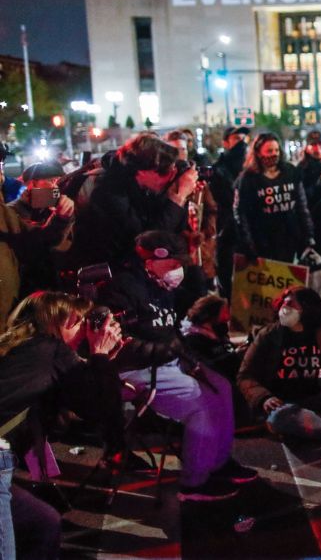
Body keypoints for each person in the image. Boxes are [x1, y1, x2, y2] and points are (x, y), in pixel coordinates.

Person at [97, 230, 254, 501]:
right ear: (150, 261)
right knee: (201, 402)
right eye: (173, 265)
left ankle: (217, 462)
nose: (177, 271)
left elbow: (168, 330)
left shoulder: (160, 285)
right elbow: (118, 343)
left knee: (221, 387)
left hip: (166, 360)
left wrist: (187, 357)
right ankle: (194, 483)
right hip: (135, 369)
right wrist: (165, 351)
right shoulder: (120, 288)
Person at [0, 292, 123, 560]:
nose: (84, 331)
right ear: (63, 322)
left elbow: (80, 392)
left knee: (42, 524)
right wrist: (100, 353)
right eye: (80, 322)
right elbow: (100, 408)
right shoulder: (53, 352)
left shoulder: (24, 349)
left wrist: (101, 361)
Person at [238, 287, 321, 440]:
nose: (285, 308)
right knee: (279, 418)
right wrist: (264, 398)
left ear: (307, 308)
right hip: (286, 405)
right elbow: (245, 375)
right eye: (283, 304)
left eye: (290, 304)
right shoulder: (269, 336)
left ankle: (316, 426)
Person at [68, 133, 196, 271]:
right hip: (108, 274)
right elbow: (147, 243)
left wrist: (180, 194)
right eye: (165, 171)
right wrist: (177, 199)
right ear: (142, 172)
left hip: (132, 272)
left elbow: (176, 230)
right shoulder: (109, 192)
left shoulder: (144, 188)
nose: (170, 176)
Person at [0, 166, 74, 320]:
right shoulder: (11, 212)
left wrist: (62, 216)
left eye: (59, 181)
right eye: (51, 180)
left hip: (53, 289)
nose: (56, 186)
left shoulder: (54, 209)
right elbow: (33, 243)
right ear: (33, 184)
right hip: (27, 296)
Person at [233, 133, 317, 264]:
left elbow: (301, 206)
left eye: (277, 150)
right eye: (269, 151)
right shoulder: (248, 179)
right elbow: (241, 213)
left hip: (290, 240)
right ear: (259, 153)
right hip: (263, 242)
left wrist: (308, 236)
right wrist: (248, 245)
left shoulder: (290, 172)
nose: (274, 154)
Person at [162, 129, 219, 282]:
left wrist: (207, 232)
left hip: (200, 252)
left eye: (183, 149)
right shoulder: (163, 183)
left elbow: (211, 209)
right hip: (176, 254)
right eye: (174, 150)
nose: (180, 154)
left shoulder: (196, 177)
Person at [212, 127, 250, 296]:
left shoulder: (250, 168)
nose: (241, 143)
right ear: (225, 143)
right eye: (236, 138)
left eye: (243, 138)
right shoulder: (218, 171)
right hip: (228, 235)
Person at [297, 130, 321, 266]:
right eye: (313, 145)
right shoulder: (301, 169)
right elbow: (302, 198)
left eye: (320, 144)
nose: (317, 148)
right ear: (307, 147)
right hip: (316, 224)